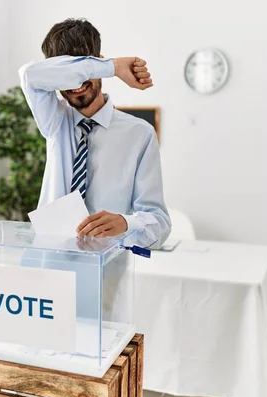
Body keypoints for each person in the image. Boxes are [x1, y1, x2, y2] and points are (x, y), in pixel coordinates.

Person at [19, 18, 171, 248]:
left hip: (107, 270)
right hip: (52, 264)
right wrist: (114, 68)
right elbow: (30, 75)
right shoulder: (55, 121)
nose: (76, 83)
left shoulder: (140, 134)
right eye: (69, 74)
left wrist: (125, 223)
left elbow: (160, 224)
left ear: (97, 61)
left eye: (82, 71)